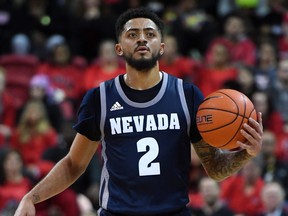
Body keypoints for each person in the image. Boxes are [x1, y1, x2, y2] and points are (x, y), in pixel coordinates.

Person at [14, 7, 263, 216]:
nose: (142, 39)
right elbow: (72, 165)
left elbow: (215, 168)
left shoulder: (187, 95)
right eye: (132, 34)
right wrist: (32, 197)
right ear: (119, 48)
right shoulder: (99, 98)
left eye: (150, 34)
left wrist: (246, 153)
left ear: (162, 46)